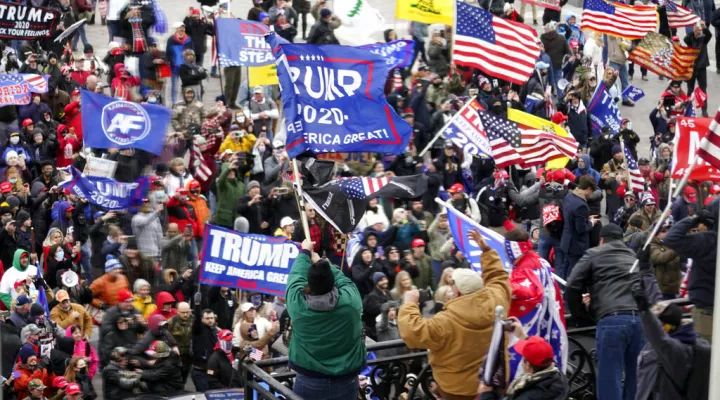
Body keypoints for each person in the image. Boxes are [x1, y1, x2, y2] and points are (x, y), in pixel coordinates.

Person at [399, 230, 511, 400]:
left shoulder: (445, 321)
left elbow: (412, 333)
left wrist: (409, 304)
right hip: (494, 383)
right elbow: (498, 277)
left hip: (458, 391)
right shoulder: (497, 300)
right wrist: (487, 251)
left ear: (457, 291)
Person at [566, 223, 643, 400]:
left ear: (601, 240)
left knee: (610, 378)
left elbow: (572, 285)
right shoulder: (633, 256)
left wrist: (581, 315)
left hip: (612, 320)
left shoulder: (593, 254)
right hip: (639, 319)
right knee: (636, 378)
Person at [286, 239, 366, 399]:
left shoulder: (298, 306)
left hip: (310, 380)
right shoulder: (351, 302)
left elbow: (294, 279)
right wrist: (322, 263)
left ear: (309, 284)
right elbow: (344, 281)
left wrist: (304, 253)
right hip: (346, 380)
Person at [632, 246, 710, 400]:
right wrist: (645, 269)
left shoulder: (674, 351)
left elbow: (657, 335)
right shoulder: (683, 335)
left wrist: (644, 311)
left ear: (664, 327)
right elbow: (656, 299)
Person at [662, 208, 717, 343]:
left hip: (707, 313)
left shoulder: (709, 241)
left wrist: (694, 218)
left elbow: (671, 238)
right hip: (708, 308)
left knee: (704, 359)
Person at [479, 326, 569, 399]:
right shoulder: (558, 376)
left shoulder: (527, 396)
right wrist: (523, 336)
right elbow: (543, 354)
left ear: (527, 365)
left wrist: (486, 395)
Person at [559, 176, 599, 279]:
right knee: (575, 274)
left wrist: (585, 218)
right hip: (576, 246)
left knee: (566, 270)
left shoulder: (569, 196)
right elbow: (581, 229)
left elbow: (570, 217)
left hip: (566, 241)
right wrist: (591, 223)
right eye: (592, 191)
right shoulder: (581, 205)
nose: (591, 194)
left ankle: (564, 290)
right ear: (589, 189)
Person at [362, 272, 392, 340]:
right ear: (376, 283)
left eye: (385, 279)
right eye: (381, 280)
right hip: (377, 330)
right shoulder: (372, 296)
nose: (385, 281)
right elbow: (379, 308)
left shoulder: (387, 293)